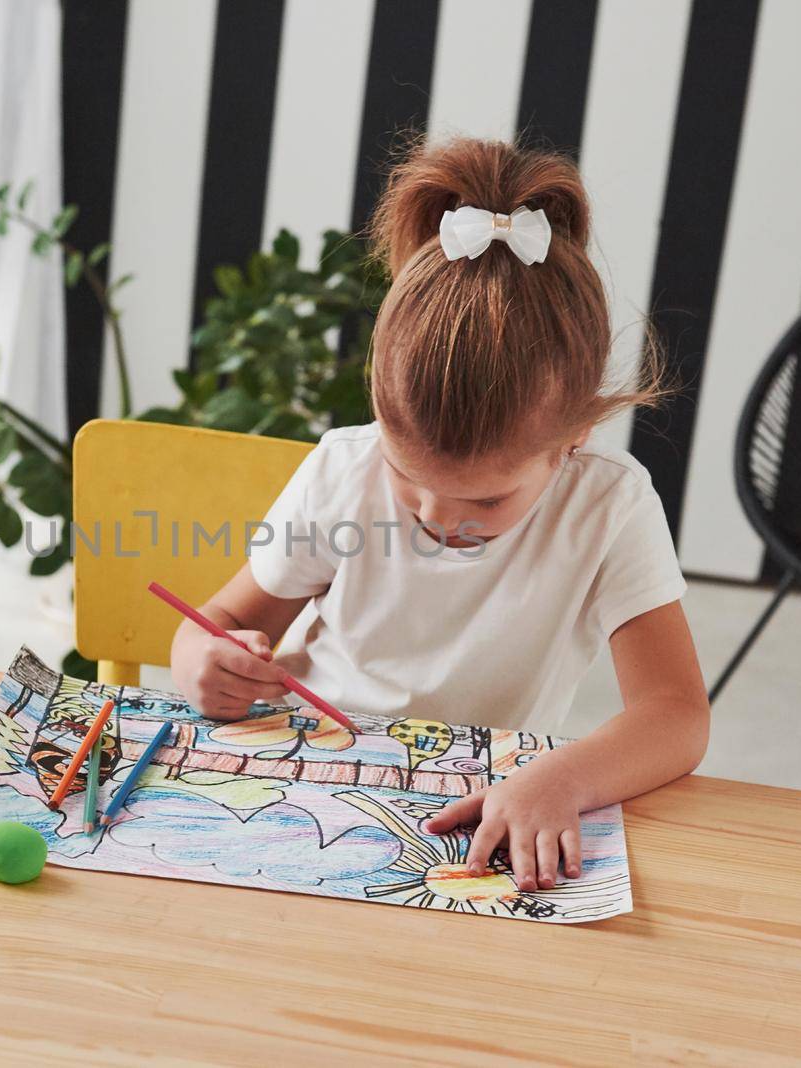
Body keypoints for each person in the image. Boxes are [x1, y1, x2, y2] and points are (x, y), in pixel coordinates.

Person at [169, 137, 709, 893]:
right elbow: (223, 614)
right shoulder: (342, 469)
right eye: (404, 474)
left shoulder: (608, 505)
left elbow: (676, 714)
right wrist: (198, 656)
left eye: (486, 499)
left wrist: (562, 781)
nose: (431, 513)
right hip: (307, 786)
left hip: (485, 807)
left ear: (576, 434)